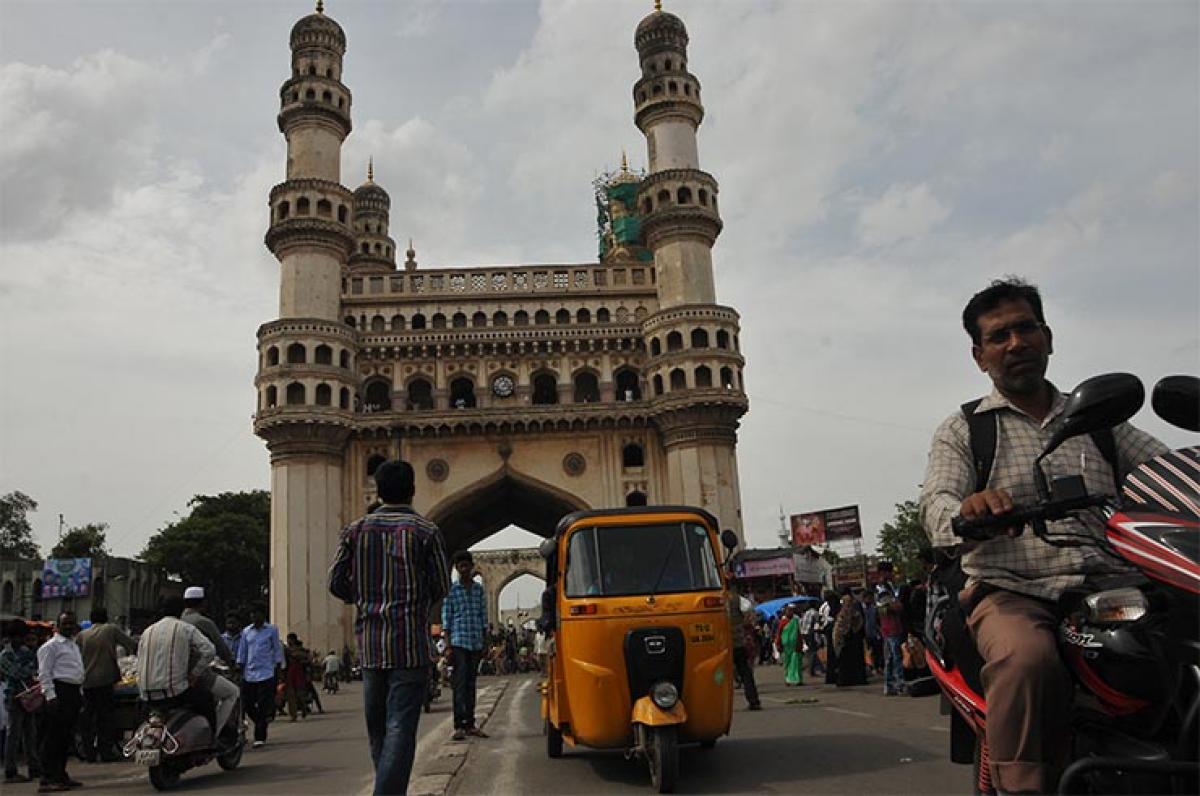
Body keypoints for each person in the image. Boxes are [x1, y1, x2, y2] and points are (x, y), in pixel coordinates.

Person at [919, 277, 1166, 794]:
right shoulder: (966, 429)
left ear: (1048, 337)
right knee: (1026, 659)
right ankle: (1022, 785)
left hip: (1114, 587)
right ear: (979, 355)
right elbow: (936, 503)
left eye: (1026, 328)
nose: (1016, 343)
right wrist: (969, 509)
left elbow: (1167, 471)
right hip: (1014, 589)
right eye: (999, 335)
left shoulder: (1100, 422)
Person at [329, 459, 450, 796]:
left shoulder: (355, 531)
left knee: (379, 729)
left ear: (378, 491)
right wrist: (413, 598)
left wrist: (365, 596)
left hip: (370, 643)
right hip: (410, 643)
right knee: (399, 728)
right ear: (412, 490)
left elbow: (335, 581)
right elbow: (441, 585)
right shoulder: (426, 531)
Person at [137, 598, 224, 736]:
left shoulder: (147, 632)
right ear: (182, 612)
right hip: (175, 693)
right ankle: (213, 738)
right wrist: (195, 673)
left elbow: (139, 660)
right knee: (207, 699)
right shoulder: (185, 628)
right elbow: (209, 650)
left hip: (146, 695)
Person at [75, 606, 135, 762]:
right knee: (106, 717)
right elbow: (131, 645)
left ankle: (89, 753)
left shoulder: (82, 635)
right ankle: (106, 751)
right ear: (106, 618)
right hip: (106, 680)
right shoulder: (111, 629)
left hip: (87, 682)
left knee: (89, 718)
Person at [180, 586, 240, 740]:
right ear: (202, 603)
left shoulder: (178, 620)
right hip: (197, 674)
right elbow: (220, 648)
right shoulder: (202, 622)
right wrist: (232, 663)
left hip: (174, 675)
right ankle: (215, 733)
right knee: (232, 693)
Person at [441, 550, 487, 741]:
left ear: (471, 566)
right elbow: (447, 619)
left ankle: (470, 723)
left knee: (471, 684)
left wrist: (486, 642)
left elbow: (483, 617)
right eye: (461, 566)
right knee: (459, 684)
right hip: (459, 642)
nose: (464, 569)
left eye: (467, 565)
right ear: (457, 568)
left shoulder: (478, 590)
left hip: (475, 641)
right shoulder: (451, 591)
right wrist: (448, 645)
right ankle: (459, 725)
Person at [37, 612, 85, 792]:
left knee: (66, 737)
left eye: (72, 624)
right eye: (65, 624)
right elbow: (44, 673)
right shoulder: (50, 647)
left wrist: (79, 693)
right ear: (57, 625)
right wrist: (51, 696)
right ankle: (47, 778)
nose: (69, 627)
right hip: (59, 692)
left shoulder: (73, 646)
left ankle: (60, 774)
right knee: (53, 738)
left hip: (72, 693)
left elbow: (77, 672)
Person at [236, 603, 284, 749]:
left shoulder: (271, 630)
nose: (254, 616)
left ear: (263, 615)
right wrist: (239, 665)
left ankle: (260, 736)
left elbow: (276, 649)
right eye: (252, 614)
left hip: (267, 673)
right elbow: (242, 651)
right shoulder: (246, 632)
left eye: (257, 613)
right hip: (249, 673)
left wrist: (279, 667)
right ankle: (260, 721)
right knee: (248, 704)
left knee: (263, 705)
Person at [2, 620, 42, 784]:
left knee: (30, 733)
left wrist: (27, 671)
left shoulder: (27, 652)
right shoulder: (5, 655)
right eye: (15, 637)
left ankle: (34, 767)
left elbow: (33, 669)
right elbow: (17, 673)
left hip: (29, 697)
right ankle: (10, 770)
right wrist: (26, 670)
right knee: (14, 734)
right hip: (13, 697)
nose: (18, 640)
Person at [833, 592, 867, 687]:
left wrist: (852, 631)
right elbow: (839, 628)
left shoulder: (854, 613)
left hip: (852, 639)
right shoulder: (842, 614)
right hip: (846, 640)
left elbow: (859, 624)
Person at [879, 592, 906, 696]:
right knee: (895, 658)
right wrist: (892, 602)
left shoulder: (883, 606)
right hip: (891, 632)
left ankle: (890, 685)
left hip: (890, 632)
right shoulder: (884, 606)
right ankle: (898, 685)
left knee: (890, 659)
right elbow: (898, 608)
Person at [774, 604, 803, 687]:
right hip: (786, 646)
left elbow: (798, 633)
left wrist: (800, 643)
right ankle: (788, 679)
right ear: (785, 611)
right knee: (787, 663)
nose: (790, 612)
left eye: (792, 610)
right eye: (788, 610)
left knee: (796, 663)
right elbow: (779, 634)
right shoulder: (783, 621)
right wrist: (778, 644)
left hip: (795, 645)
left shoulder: (796, 620)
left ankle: (798, 679)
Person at [819, 591, 840, 684]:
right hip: (832, 630)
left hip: (829, 630)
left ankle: (832, 675)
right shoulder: (829, 606)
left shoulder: (824, 606)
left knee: (832, 655)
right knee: (833, 654)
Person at [798, 601, 823, 677]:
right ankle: (811, 670)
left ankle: (812, 668)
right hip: (810, 633)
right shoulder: (815, 613)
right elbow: (817, 623)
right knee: (813, 651)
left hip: (804, 633)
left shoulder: (806, 613)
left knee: (810, 651)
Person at [862, 590, 883, 674]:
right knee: (870, 651)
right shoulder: (862, 609)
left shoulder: (875, 608)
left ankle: (878, 666)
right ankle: (873, 666)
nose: (870, 599)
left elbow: (878, 621)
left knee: (877, 651)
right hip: (867, 633)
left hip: (875, 633)